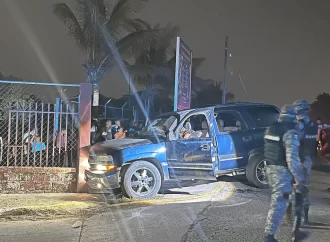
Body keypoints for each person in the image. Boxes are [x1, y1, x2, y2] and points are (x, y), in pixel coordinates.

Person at [263, 105, 305, 242]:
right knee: (279, 201)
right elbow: (292, 159)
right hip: (281, 170)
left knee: (281, 199)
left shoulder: (271, 128)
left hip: (270, 168)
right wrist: (300, 178)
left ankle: (288, 226)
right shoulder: (290, 132)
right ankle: (269, 236)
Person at [292, 100, 318, 227]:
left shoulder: (299, 125)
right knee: (305, 188)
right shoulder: (313, 125)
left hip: (299, 159)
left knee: (298, 188)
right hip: (308, 160)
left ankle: (298, 218)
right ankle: (305, 217)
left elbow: (295, 143)